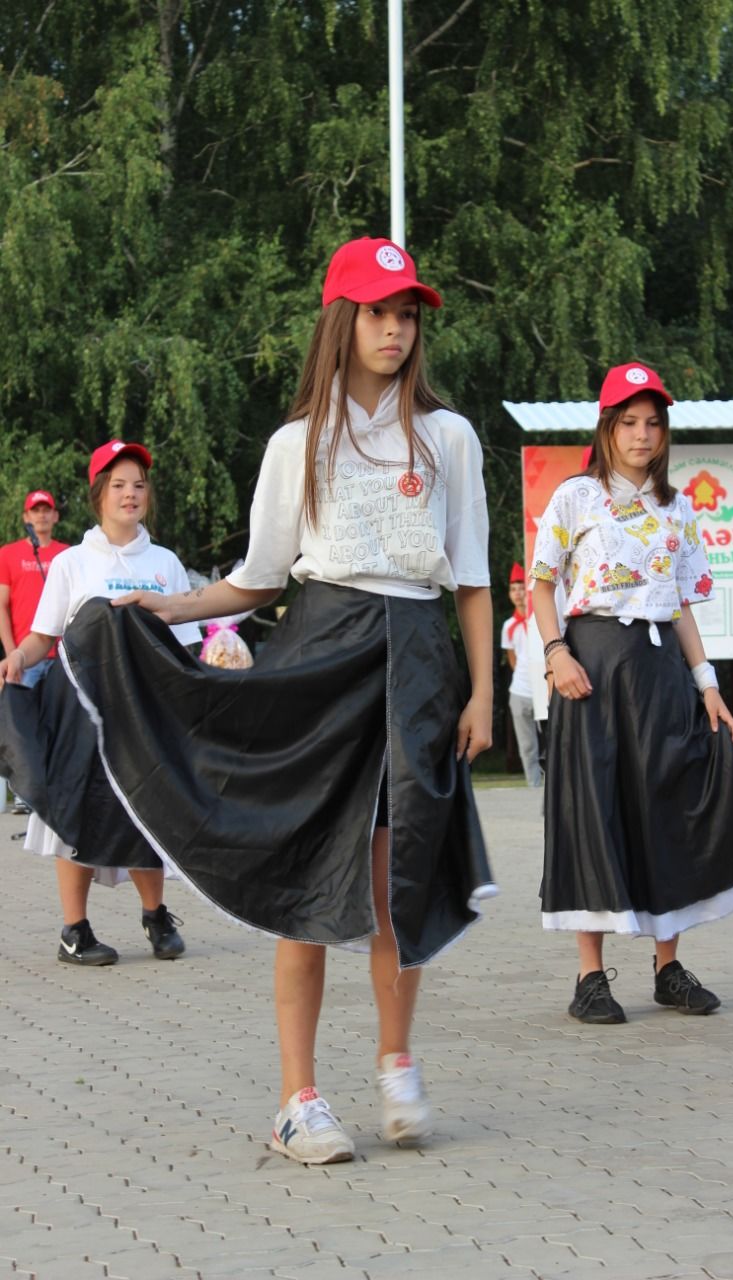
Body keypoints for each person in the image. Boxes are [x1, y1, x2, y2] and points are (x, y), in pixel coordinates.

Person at [54, 236, 495, 1165]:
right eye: (378, 312)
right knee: (309, 881)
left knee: (396, 878)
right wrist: (163, 604)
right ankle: (298, 1099)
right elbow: (257, 581)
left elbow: (471, 580)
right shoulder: (298, 443)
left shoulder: (449, 436)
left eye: (408, 314)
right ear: (344, 320)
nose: (395, 329)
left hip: (418, 665)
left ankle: (396, 1068)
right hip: (323, 656)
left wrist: (482, 693)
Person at [531, 362, 733, 1025]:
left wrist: (709, 686)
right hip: (592, 668)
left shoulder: (677, 508)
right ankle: (589, 978)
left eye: (652, 423)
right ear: (607, 428)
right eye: (629, 422)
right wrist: (555, 654)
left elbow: (681, 607)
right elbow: (541, 582)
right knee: (594, 808)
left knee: (670, 805)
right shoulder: (575, 497)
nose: (642, 435)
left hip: (661, 671)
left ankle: (668, 968)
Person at [0, 442, 199, 965]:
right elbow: (44, 635)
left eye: (138, 484)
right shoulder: (71, 563)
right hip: (82, 712)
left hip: (145, 714)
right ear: (98, 496)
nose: (130, 493)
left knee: (146, 812)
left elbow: (189, 642)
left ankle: (157, 919)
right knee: (76, 814)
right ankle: (75, 930)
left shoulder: (165, 563)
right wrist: (17, 657)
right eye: (118, 484)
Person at [0, 490, 69, 813]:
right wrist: (13, 652)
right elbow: (1, 606)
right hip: (26, 655)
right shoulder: (9, 554)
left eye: (47, 510)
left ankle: (57, 791)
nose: (41, 516)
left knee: (59, 725)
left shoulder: (68, 554)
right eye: (35, 511)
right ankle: (26, 796)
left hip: (64, 657)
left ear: (55, 516)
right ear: (26, 518)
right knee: (23, 726)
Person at [501, 563, 542, 786]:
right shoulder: (508, 626)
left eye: (521, 587)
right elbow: (512, 658)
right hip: (520, 692)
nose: (517, 593)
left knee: (550, 741)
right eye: (513, 589)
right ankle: (534, 786)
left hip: (543, 689)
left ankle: (554, 786)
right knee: (527, 745)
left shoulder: (540, 619)